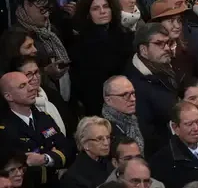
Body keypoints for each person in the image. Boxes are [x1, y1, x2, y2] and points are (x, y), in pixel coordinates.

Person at [0, 71, 74, 186]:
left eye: (29, 83)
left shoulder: (44, 118)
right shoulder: (4, 128)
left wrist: (45, 158)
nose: (31, 88)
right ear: (8, 96)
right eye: (22, 86)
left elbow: (69, 150)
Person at [124, 23, 181, 155]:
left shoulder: (165, 68)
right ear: (144, 50)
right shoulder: (134, 85)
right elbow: (147, 133)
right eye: (159, 43)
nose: (167, 48)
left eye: (168, 43)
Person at [61, 116, 114, 188]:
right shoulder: (73, 177)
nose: (106, 143)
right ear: (85, 144)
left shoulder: (109, 163)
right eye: (99, 139)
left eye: (107, 138)